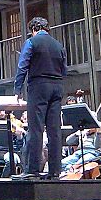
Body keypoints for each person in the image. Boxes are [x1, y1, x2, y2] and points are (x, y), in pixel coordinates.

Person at [14, 17, 67, 179]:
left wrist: (17, 89)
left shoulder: (32, 42)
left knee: (36, 128)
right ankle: (55, 171)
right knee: (54, 130)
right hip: (57, 87)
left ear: (34, 29)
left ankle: (33, 170)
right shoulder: (59, 45)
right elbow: (64, 70)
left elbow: (22, 66)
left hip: (39, 86)